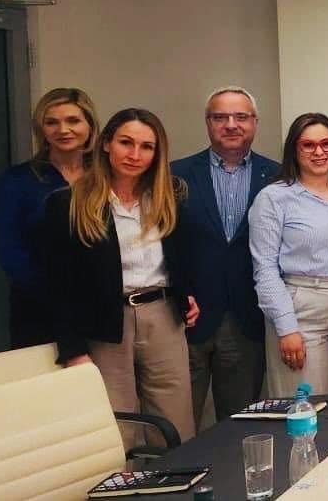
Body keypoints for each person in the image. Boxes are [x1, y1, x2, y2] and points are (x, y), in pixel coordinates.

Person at [43, 108, 200, 447]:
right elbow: (58, 285)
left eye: (146, 147)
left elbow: (179, 256)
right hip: (105, 321)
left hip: (162, 315)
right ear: (105, 144)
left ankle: (174, 480)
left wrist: (186, 293)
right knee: (117, 425)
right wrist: (72, 349)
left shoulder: (168, 197)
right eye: (126, 143)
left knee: (175, 421)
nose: (135, 154)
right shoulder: (69, 203)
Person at [170, 87, 279, 425]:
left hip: (246, 317)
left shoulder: (278, 176)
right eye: (220, 117)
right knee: (176, 423)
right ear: (208, 123)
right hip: (186, 316)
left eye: (241, 116)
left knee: (238, 424)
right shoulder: (174, 175)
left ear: (255, 122)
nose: (231, 124)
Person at [249, 113, 328, 398]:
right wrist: (286, 327)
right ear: (294, 150)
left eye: (327, 143)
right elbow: (264, 268)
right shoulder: (274, 198)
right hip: (302, 311)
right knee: (310, 406)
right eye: (308, 145)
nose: (319, 152)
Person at [0, 87, 97, 348]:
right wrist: (59, 298)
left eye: (73, 120)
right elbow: (11, 251)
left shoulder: (105, 176)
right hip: (38, 308)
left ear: (89, 124)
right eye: (51, 122)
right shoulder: (18, 180)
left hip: (102, 305)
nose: (63, 130)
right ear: (41, 129)